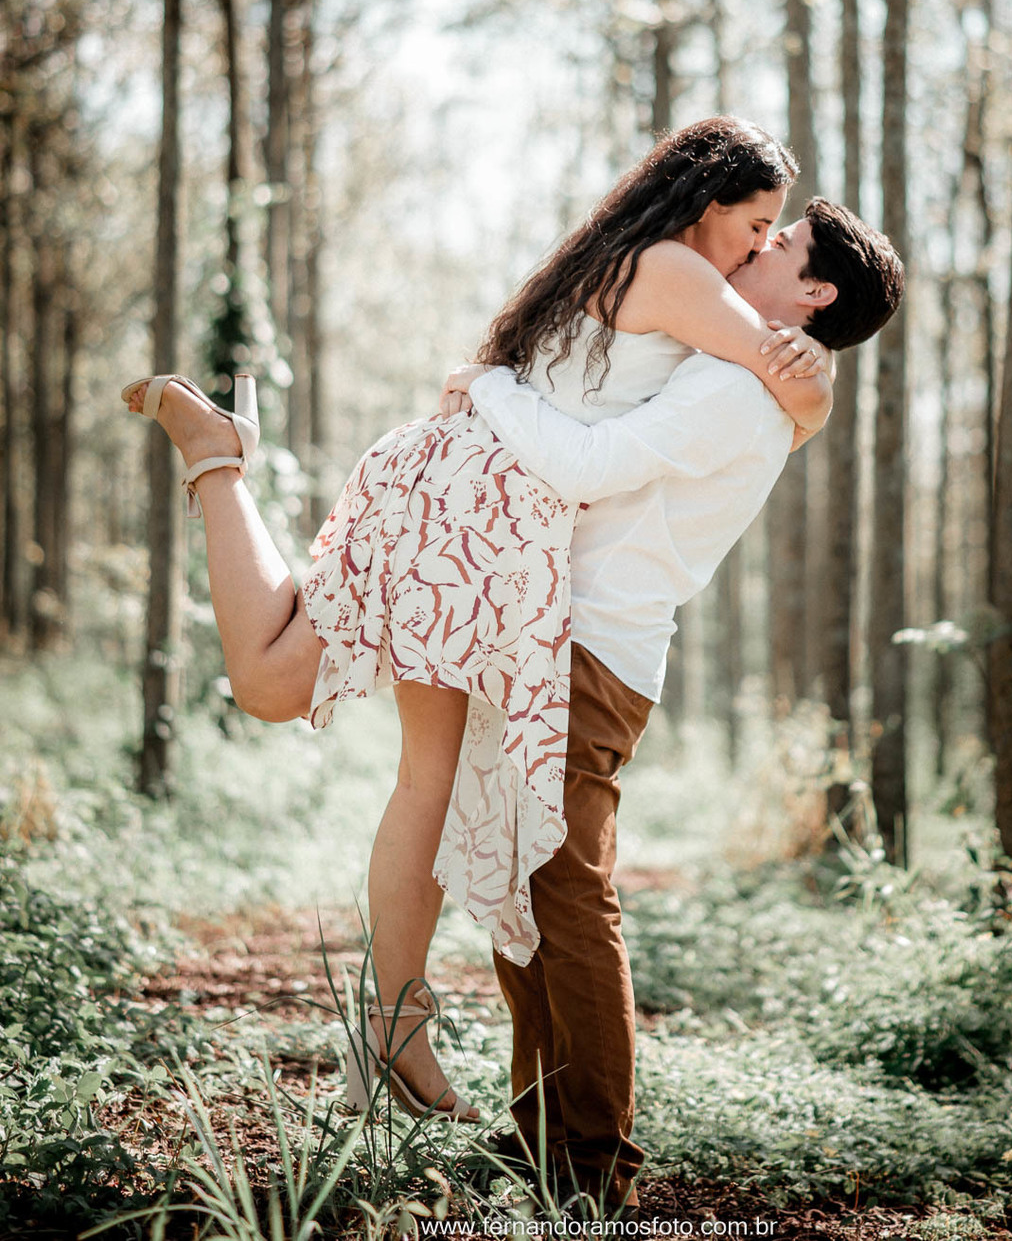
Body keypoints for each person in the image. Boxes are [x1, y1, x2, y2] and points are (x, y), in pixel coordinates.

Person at [120, 118, 834, 1126]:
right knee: (419, 773)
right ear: (707, 202)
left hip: (453, 476)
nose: (760, 246)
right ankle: (398, 1032)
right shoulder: (677, 269)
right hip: (488, 514)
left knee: (282, 686)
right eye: (756, 223)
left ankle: (220, 459)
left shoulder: (614, 255)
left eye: (775, 234)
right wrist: (816, 405)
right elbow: (779, 368)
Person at [441, 197, 905, 1212]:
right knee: (529, 895)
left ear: (816, 292)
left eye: (781, 243)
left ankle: (594, 1171)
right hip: (559, 639)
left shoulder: (743, 392)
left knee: (568, 897)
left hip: (594, 652)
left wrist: (488, 388)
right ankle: (542, 1143)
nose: (757, 243)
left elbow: (590, 466)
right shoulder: (746, 375)